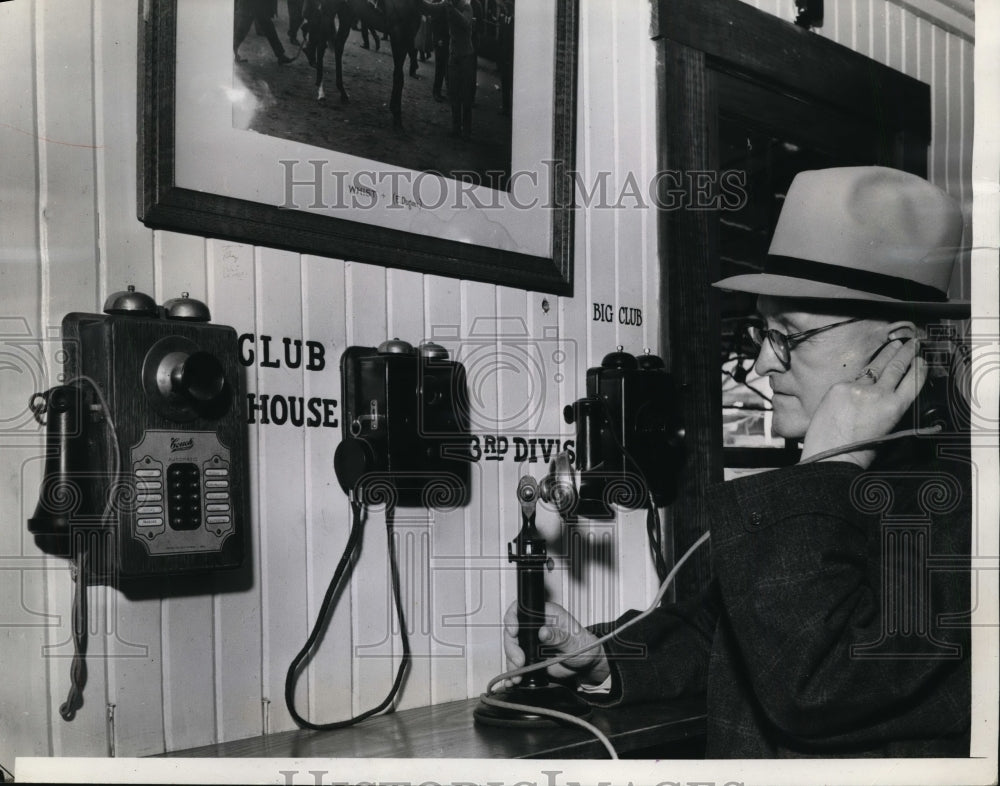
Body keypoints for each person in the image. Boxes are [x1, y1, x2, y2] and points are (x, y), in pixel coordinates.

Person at [502, 166, 972, 758]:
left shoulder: (965, 506)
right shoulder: (850, 476)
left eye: (791, 336)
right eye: (761, 332)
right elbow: (727, 632)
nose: (761, 367)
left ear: (898, 346)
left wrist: (827, 467)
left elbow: (816, 685)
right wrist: (606, 662)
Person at [233, 0, 295, 64]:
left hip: (260, 4)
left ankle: (280, 55)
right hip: (249, 4)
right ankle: (231, 52)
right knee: (243, 28)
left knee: (269, 27)